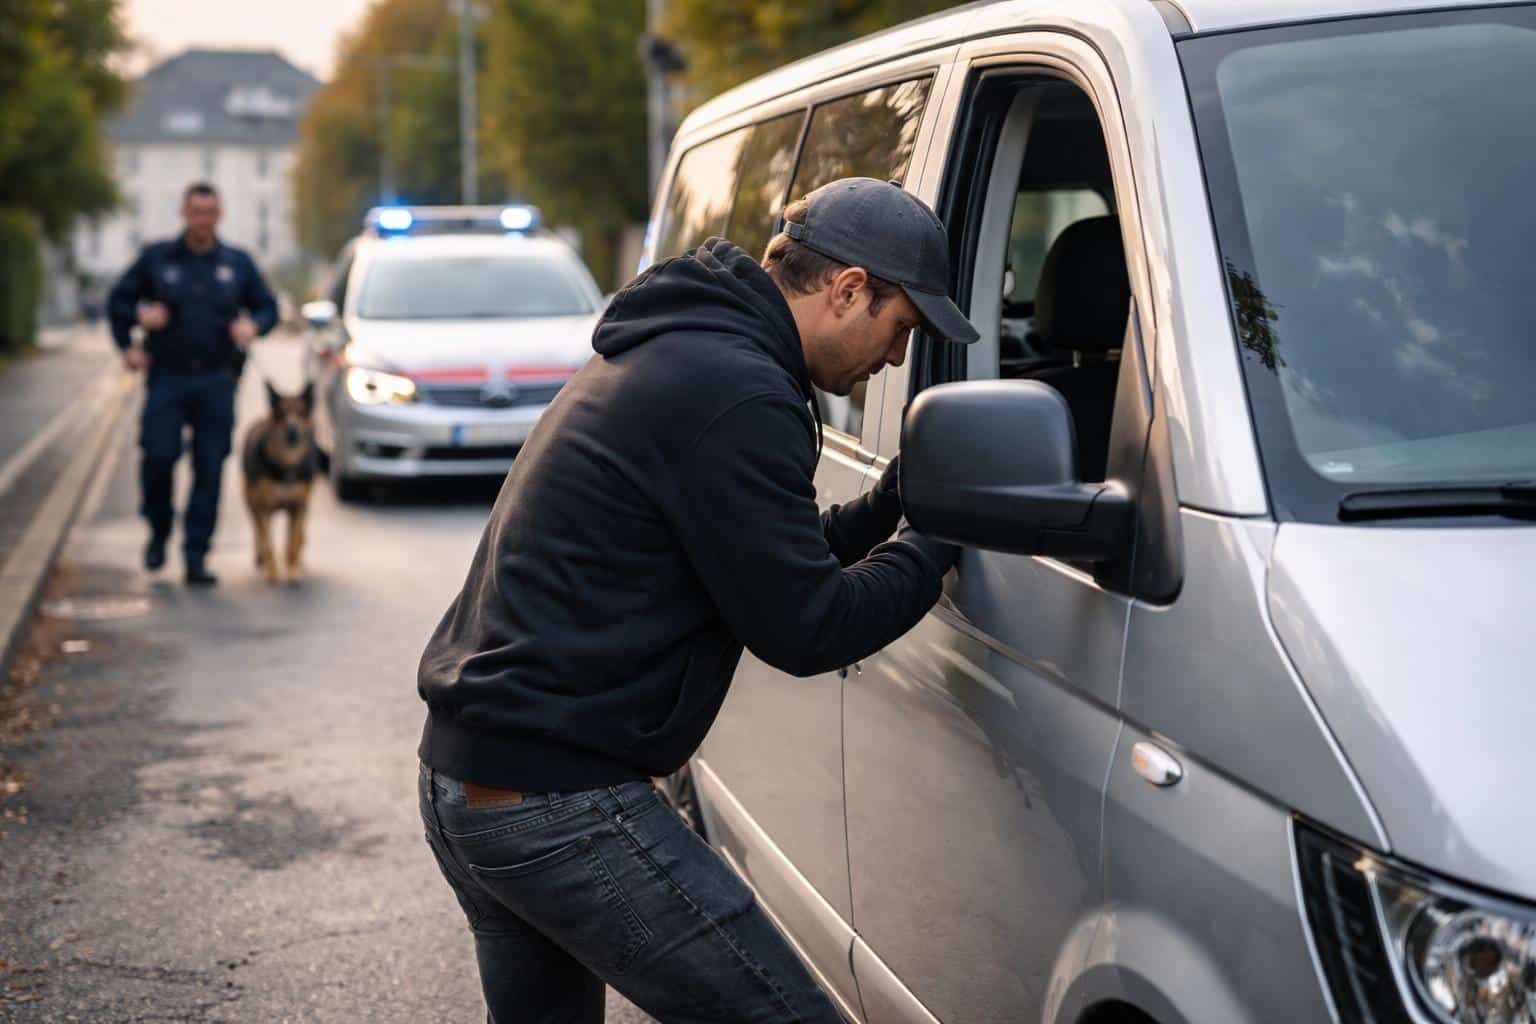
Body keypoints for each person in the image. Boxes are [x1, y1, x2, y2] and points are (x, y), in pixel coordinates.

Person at [416, 177, 979, 1023]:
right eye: (900, 327)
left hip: (474, 780)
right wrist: (936, 538)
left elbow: (756, 557)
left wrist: (888, 504)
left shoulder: (690, 351)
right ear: (848, 289)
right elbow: (809, 624)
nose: (897, 358)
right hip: (553, 805)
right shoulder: (740, 390)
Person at [108, 181, 278, 586]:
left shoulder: (237, 263)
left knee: (209, 466)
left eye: (210, 212)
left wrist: (253, 325)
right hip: (167, 377)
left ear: (219, 215)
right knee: (158, 457)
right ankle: (159, 529)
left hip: (217, 380)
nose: (203, 220)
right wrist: (131, 338)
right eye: (197, 212)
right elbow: (119, 302)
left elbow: (268, 308)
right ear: (185, 213)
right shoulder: (157, 259)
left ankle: (196, 555)